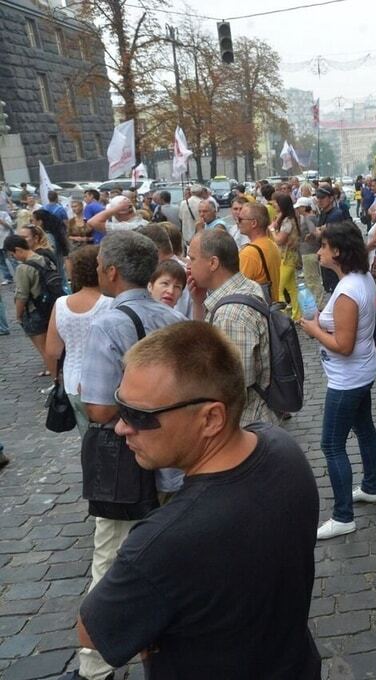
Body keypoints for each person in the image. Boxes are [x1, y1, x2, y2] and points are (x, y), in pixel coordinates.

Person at [75, 321, 321, 679]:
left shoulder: (163, 542)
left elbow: (91, 631)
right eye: (120, 406)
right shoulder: (282, 449)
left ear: (211, 418)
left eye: (139, 415)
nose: (121, 426)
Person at [75, 230, 185, 680]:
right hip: (177, 459)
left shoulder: (109, 322)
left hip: (130, 462)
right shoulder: (171, 316)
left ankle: (95, 667)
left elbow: (100, 408)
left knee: (112, 562)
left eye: (101, 263)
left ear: (112, 271)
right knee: (174, 552)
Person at [297, 223, 376, 540]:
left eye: (324, 246)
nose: (319, 252)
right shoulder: (361, 279)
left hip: (348, 378)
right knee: (364, 428)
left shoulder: (347, 290)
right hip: (361, 370)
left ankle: (343, 515)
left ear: (338, 252)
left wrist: (313, 329)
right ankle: (371, 486)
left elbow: (343, 345)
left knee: (331, 445)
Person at [187, 229, 280, 428]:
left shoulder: (231, 314)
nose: (188, 266)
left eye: (192, 259)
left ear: (213, 263)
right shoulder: (247, 286)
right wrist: (198, 303)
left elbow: (236, 384)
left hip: (245, 423)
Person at [45, 245, 113, 433]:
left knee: (88, 438)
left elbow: (52, 351)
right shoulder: (111, 303)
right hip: (106, 381)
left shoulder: (61, 304)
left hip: (73, 380)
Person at [3, 234, 55, 373]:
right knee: (51, 346)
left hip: (33, 311)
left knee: (44, 349)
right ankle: (51, 370)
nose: (13, 258)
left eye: (12, 255)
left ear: (18, 249)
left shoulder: (23, 268)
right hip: (50, 306)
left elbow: (22, 296)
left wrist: (18, 316)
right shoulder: (44, 259)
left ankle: (57, 383)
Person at [237, 202, 282, 304]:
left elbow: (239, 291)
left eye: (240, 219)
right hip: (271, 306)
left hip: (257, 310)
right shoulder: (271, 243)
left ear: (254, 223)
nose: (237, 222)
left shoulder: (249, 253)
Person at [270, 192, 302, 320]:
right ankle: (297, 315)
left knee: (279, 288)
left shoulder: (288, 222)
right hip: (289, 257)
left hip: (286, 258)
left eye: (275, 202)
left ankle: (283, 317)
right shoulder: (287, 217)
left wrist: (272, 230)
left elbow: (279, 240)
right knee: (292, 288)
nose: (273, 204)